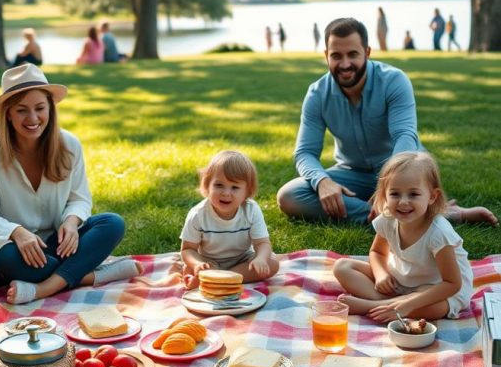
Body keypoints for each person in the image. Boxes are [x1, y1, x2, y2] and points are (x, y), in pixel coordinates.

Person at [276, 16, 498, 226]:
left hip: (404, 167)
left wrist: (387, 186)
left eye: (353, 54)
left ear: (367, 52)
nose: (345, 64)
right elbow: (304, 153)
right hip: (351, 172)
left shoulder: (394, 81)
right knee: (289, 196)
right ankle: (411, 216)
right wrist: (322, 182)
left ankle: (399, 212)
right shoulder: (317, 94)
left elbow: (405, 136)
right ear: (326, 56)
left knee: (407, 178)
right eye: (336, 56)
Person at [0, 64, 142, 305]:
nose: (33, 118)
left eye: (40, 108)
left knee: (112, 223)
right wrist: (16, 232)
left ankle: (45, 287)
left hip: (50, 244)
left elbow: (79, 199)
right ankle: (87, 274)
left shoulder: (69, 145)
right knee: (15, 258)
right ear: (8, 114)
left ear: (51, 109)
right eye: (22, 110)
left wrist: (71, 222)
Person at [333, 151, 472, 323]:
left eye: (413, 194)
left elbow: (452, 284)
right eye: (395, 194)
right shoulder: (388, 220)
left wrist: (409, 304)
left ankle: (370, 306)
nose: (403, 202)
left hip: (437, 287)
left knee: (436, 308)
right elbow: (377, 253)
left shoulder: (439, 233)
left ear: (432, 196)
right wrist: (381, 274)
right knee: (342, 266)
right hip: (402, 278)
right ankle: (388, 305)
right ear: (385, 195)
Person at [180, 149, 279, 288]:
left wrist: (261, 259)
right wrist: (197, 264)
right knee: (190, 268)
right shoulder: (198, 214)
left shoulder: (251, 210)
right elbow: (187, 250)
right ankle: (220, 278)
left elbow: (262, 243)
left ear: (247, 192)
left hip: (242, 260)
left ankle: (222, 279)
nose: (226, 193)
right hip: (210, 262)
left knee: (272, 264)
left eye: (235, 187)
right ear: (207, 185)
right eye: (219, 185)